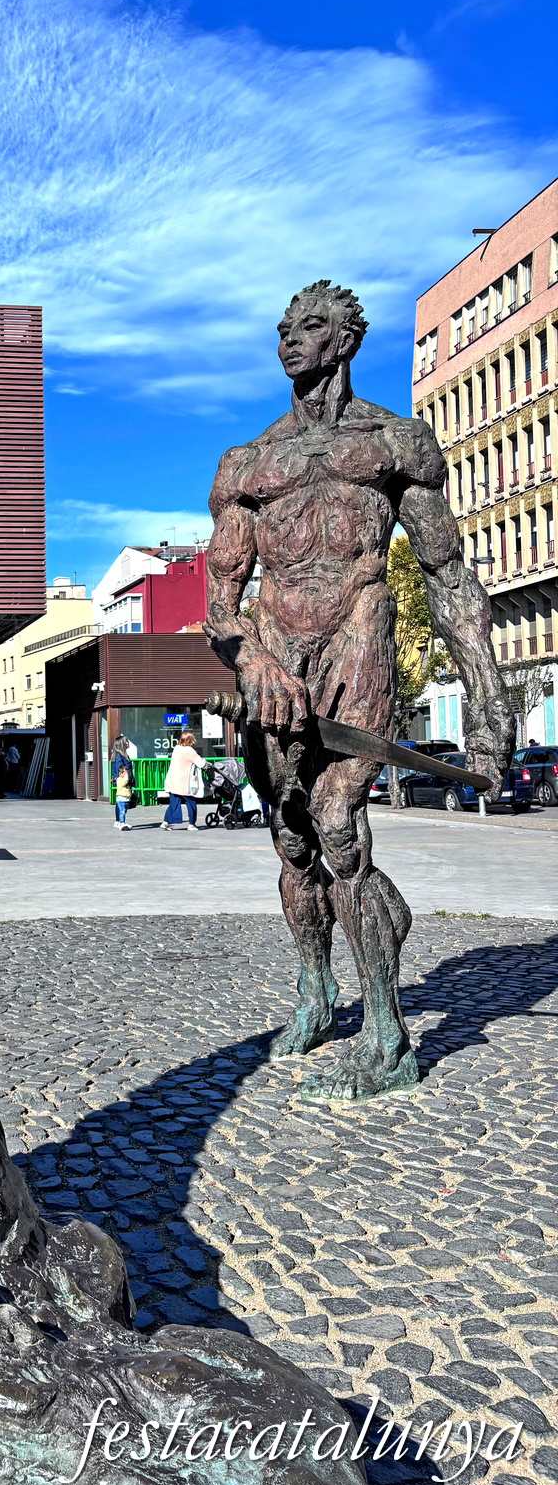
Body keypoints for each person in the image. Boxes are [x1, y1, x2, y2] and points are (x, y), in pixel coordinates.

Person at [205, 279, 512, 1099]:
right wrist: (253, 663)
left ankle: (387, 1029)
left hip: (358, 643)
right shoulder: (247, 464)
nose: (288, 340)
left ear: (344, 341)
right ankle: (317, 989)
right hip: (276, 662)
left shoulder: (395, 444)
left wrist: (489, 704)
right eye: (281, 328)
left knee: (338, 824)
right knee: (295, 845)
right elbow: (219, 603)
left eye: (308, 327)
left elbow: (450, 580)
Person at [162, 731, 205, 830]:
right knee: (191, 802)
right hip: (184, 782)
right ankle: (191, 824)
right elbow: (200, 763)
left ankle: (166, 822)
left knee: (174, 803)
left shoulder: (176, 748)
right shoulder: (189, 750)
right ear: (189, 740)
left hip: (172, 780)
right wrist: (208, 765)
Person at [113, 755, 133, 830]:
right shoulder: (120, 780)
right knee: (122, 811)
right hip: (121, 799)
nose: (126, 775)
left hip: (126, 799)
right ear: (120, 774)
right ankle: (121, 823)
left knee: (124, 811)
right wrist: (127, 775)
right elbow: (125, 781)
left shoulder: (123, 780)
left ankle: (123, 822)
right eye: (125, 773)